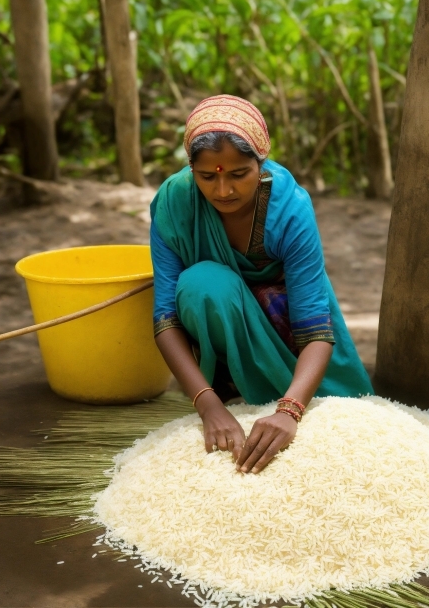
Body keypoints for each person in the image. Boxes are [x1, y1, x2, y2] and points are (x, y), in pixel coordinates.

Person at [150, 94, 373, 474]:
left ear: (261, 163)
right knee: (202, 285)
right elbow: (166, 316)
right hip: (218, 321)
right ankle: (229, 388)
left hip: (283, 327)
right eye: (208, 176)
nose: (223, 191)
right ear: (191, 170)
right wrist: (208, 405)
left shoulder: (290, 208)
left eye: (239, 174)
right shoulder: (174, 203)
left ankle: (284, 388)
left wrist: (289, 412)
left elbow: (316, 327)